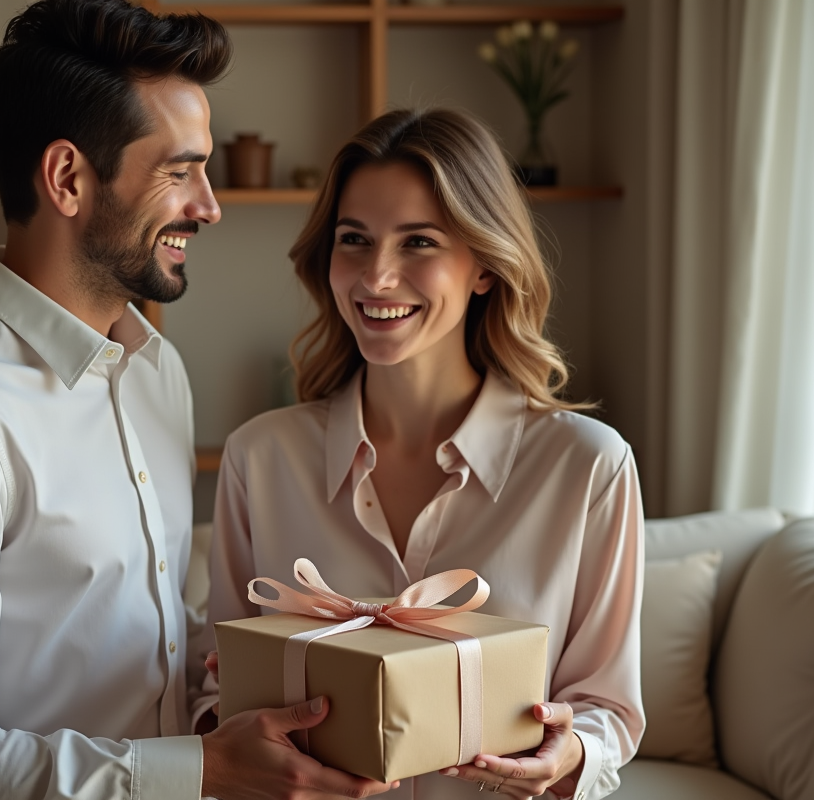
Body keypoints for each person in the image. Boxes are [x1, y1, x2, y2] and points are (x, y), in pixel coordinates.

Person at [0, 1, 398, 798]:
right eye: (179, 171)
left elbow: (153, 637)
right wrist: (201, 772)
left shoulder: (156, 369)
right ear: (68, 178)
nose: (209, 205)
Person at [197, 107, 645, 800]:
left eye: (419, 243)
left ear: (485, 269)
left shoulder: (588, 466)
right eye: (355, 239)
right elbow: (215, 686)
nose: (376, 276)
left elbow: (607, 710)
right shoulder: (261, 457)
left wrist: (569, 754)